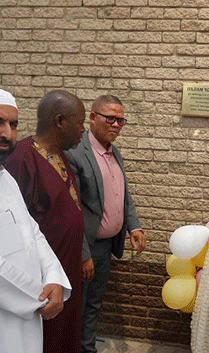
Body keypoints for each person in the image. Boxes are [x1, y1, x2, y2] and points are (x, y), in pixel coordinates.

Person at [5, 90, 86, 353]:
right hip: (21, 299)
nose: (7, 133)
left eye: (13, 124)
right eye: (0, 122)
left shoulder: (5, 177)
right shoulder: (21, 160)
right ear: (60, 121)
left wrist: (54, 278)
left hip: (49, 286)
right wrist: (38, 293)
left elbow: (32, 231)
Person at [65, 94, 146, 353]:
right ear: (92, 117)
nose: (116, 125)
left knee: (93, 305)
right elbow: (72, 210)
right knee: (76, 306)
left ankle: (87, 349)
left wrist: (134, 226)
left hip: (106, 246)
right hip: (85, 249)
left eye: (121, 120)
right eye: (110, 118)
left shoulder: (115, 152)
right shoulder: (76, 154)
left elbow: (122, 194)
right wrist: (82, 254)